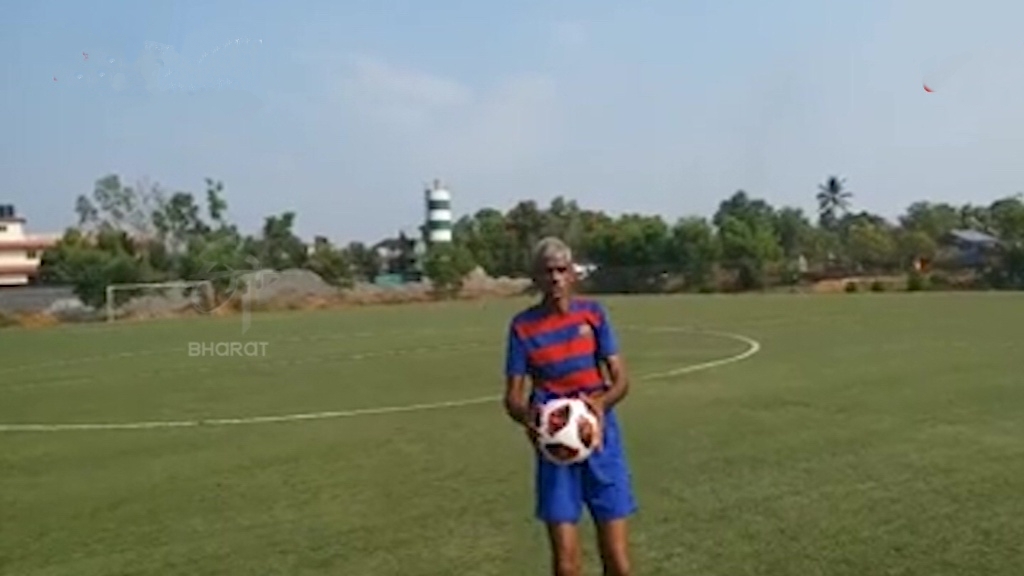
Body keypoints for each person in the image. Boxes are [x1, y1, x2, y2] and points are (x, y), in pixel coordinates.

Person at [503, 236, 637, 576]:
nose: (556, 279)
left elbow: (621, 380)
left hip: (602, 442)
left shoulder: (594, 315)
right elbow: (513, 398)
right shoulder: (522, 326)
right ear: (536, 276)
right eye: (548, 271)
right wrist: (530, 418)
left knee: (618, 561)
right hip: (555, 449)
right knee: (565, 564)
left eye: (562, 270)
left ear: (573, 273)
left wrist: (599, 405)